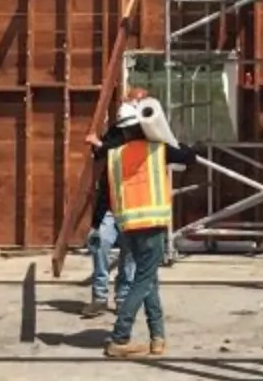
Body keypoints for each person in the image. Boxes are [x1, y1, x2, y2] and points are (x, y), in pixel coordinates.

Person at [100, 97, 200, 358]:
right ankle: (120, 336)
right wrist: (172, 138)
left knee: (149, 280)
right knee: (143, 280)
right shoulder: (157, 149)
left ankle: (158, 337)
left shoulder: (114, 155)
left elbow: (106, 190)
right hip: (151, 224)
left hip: (128, 226)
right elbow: (190, 158)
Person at [83, 87, 151, 314]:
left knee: (129, 254)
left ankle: (123, 297)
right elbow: (106, 151)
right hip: (111, 203)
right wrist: (98, 145)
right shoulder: (118, 130)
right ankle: (100, 297)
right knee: (100, 243)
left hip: (133, 205)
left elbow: (124, 144)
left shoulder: (146, 131)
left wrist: (100, 144)